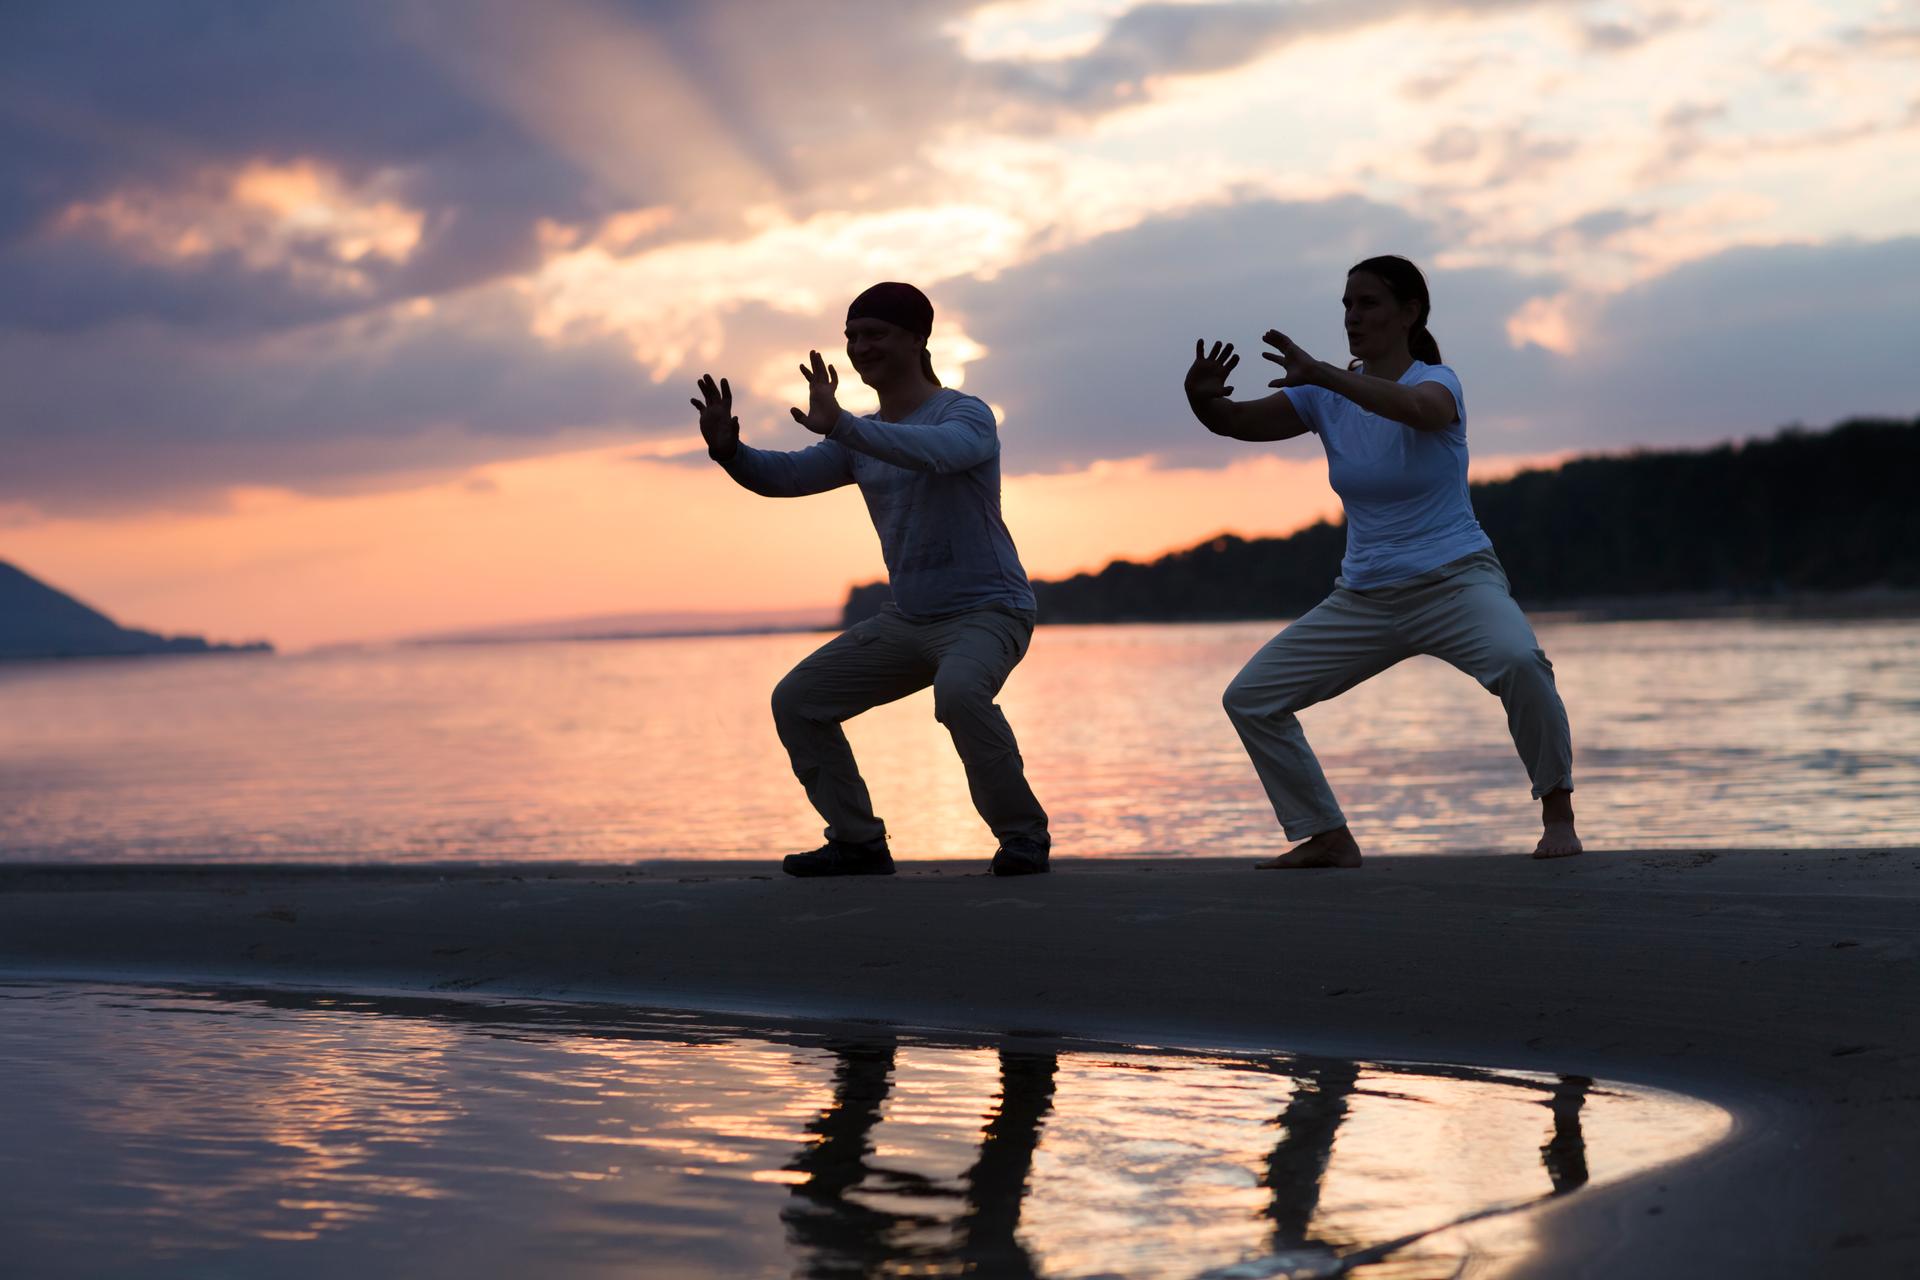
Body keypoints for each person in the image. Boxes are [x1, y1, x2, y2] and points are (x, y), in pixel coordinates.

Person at [1183, 255, 1581, 867]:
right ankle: (1327, 836)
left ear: (1410, 313)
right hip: (1365, 597)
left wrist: (1324, 375)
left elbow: (1415, 410)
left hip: (1457, 581)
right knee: (1251, 697)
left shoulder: (1439, 381)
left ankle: (1558, 814)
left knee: (1521, 663)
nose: (1352, 316)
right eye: (1346, 304)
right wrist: (1202, 399)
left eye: (1367, 303)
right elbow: (1237, 422)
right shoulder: (1322, 394)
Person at [691, 282, 1051, 877]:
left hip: (990, 611)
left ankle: (1023, 837)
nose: (861, 347)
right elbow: (785, 477)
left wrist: (846, 429)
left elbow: (941, 453)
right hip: (909, 621)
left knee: (960, 693)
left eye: (875, 334)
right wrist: (731, 451)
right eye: (852, 337)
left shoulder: (966, 414)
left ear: (917, 339)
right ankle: (858, 842)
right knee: (799, 701)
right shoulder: (861, 436)